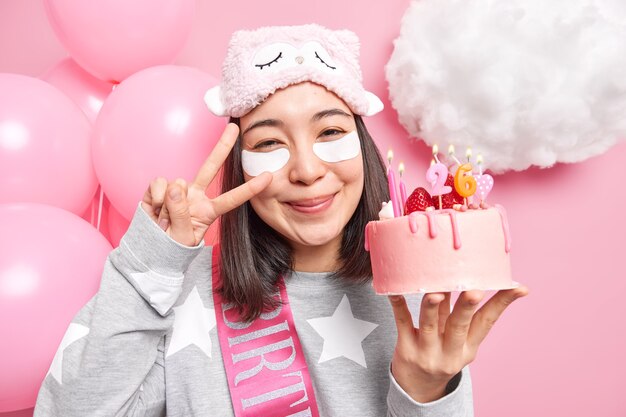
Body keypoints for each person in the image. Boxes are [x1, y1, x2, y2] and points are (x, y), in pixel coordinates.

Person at [34, 24, 528, 417]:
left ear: (364, 148)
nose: (308, 171)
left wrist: (424, 394)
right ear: (237, 163)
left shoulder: (420, 298)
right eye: (269, 143)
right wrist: (154, 261)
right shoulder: (177, 294)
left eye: (331, 131)